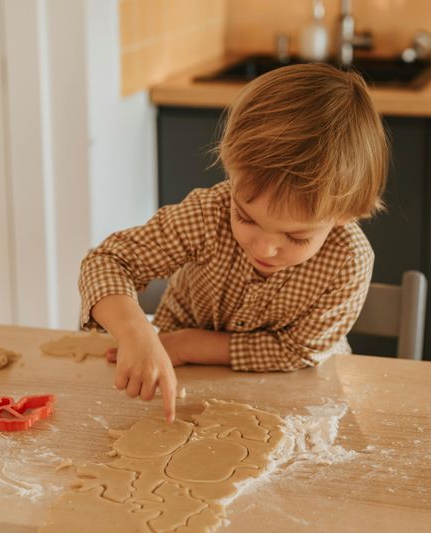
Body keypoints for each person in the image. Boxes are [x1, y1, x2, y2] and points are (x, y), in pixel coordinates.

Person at [78, 63, 388, 422]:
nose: (263, 248)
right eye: (245, 217)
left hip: (299, 394)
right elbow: (108, 261)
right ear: (231, 171)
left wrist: (188, 344)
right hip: (184, 382)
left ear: (345, 215)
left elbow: (297, 352)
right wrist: (136, 332)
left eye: (296, 236)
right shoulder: (209, 213)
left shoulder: (349, 260)